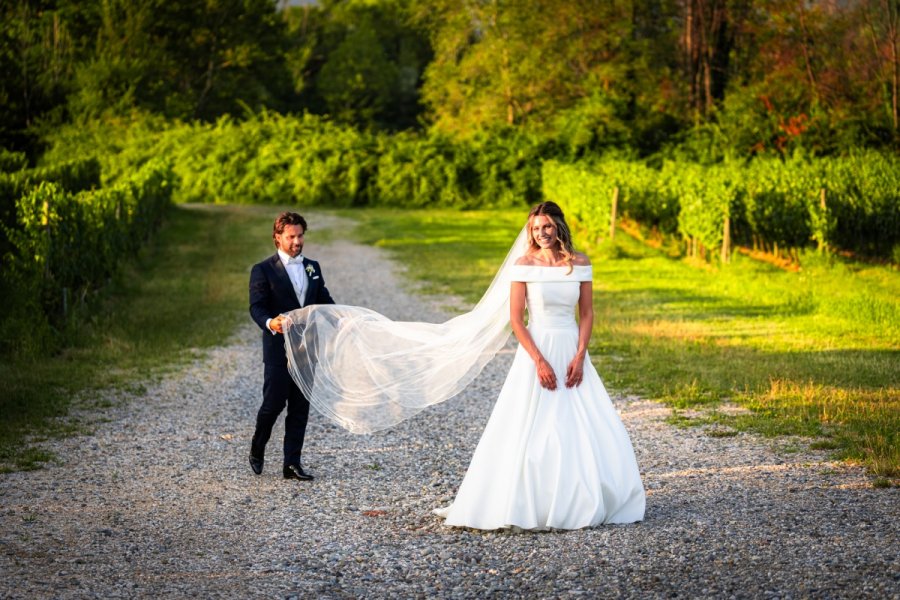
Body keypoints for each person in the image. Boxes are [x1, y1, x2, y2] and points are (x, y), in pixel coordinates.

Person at [433, 202, 645, 529]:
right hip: (538, 348)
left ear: (558, 227)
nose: (541, 233)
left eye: (547, 226)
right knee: (530, 423)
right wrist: (539, 360)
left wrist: (580, 354)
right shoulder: (524, 265)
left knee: (583, 420)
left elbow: (586, 314)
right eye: (535, 228)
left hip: (571, 347)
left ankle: (587, 495)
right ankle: (524, 500)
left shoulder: (580, 263)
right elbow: (517, 320)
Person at [248, 211, 334, 481]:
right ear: (277, 238)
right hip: (278, 350)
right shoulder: (262, 270)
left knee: (300, 407)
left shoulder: (313, 267)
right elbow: (256, 307)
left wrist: (343, 319)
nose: (297, 241)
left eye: (300, 235)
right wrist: (270, 322)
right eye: (291, 237)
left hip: (307, 349)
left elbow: (324, 301)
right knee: (273, 405)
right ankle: (258, 445)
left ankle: (291, 463)